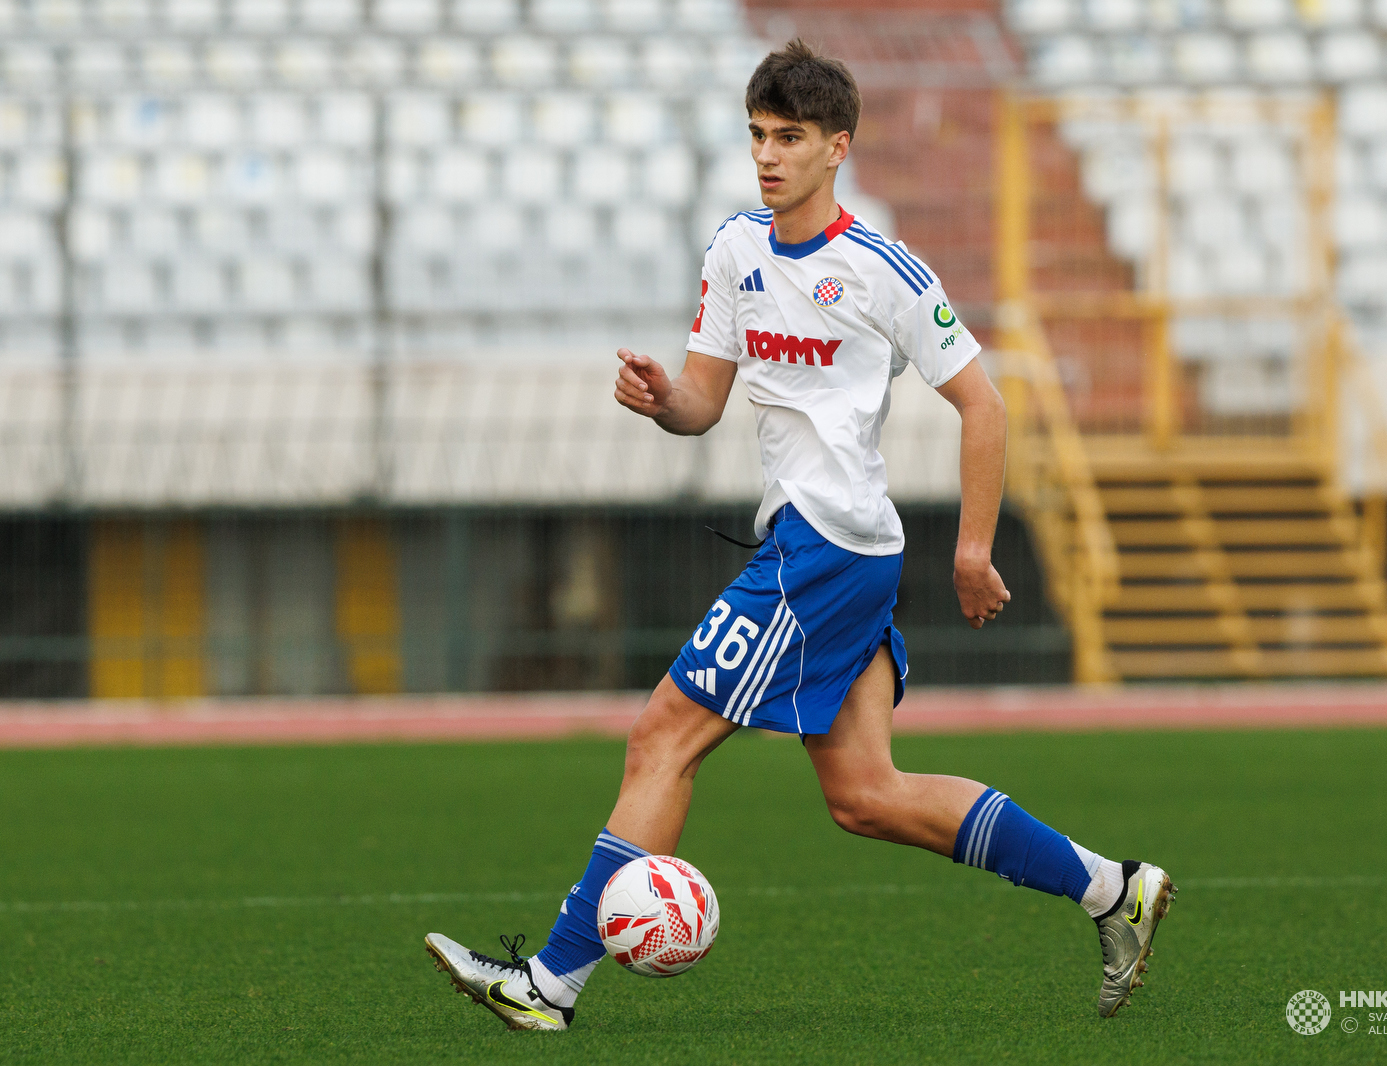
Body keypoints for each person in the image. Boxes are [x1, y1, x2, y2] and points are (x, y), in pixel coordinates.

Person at [425, 39, 1173, 1029]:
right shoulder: (734, 250)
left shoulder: (883, 271)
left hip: (826, 547)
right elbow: (704, 402)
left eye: (789, 138)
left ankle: (550, 983)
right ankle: (1112, 889)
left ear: (837, 147)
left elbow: (984, 406)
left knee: (662, 736)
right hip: (824, 547)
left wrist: (973, 549)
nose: (768, 156)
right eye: (757, 136)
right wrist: (662, 400)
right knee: (866, 795)